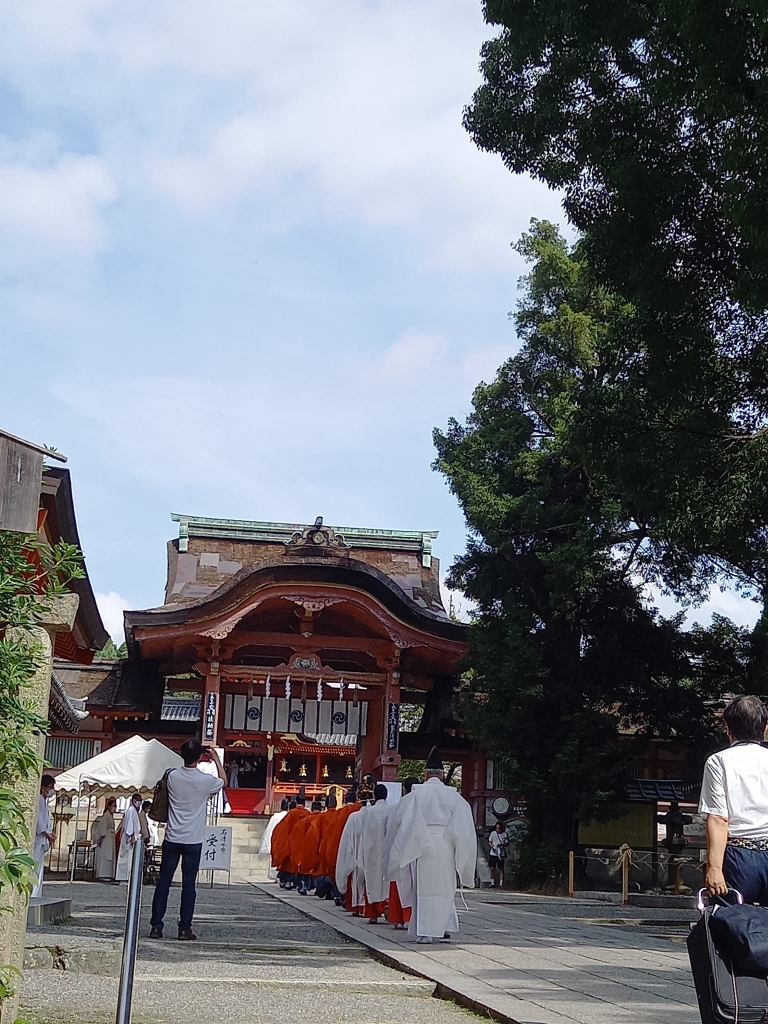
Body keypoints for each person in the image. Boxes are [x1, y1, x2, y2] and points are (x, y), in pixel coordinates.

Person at [387, 747, 476, 943]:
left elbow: (400, 821)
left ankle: (427, 931)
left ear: (426, 774)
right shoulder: (454, 797)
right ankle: (443, 926)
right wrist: (463, 858)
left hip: (422, 844)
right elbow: (465, 828)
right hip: (446, 844)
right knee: (445, 888)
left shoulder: (415, 795)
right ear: (443, 774)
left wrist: (402, 849)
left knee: (424, 889)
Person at [149, 740, 226, 940]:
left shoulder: (172, 775)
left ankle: (156, 926)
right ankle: (184, 928)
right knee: (189, 885)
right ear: (200, 757)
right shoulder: (205, 780)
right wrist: (216, 758)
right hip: (193, 839)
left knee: (164, 882)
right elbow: (223, 781)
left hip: (172, 836)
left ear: (181, 755)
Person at [700, 695, 768, 904]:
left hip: (739, 856)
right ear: (765, 727)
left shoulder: (719, 762)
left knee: (733, 925)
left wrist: (714, 868)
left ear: (727, 727)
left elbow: (719, 819)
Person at [386, 777, 418, 929]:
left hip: (401, 849)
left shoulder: (397, 806)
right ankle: (414, 918)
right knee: (416, 887)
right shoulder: (422, 804)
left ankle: (401, 918)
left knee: (401, 884)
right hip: (419, 850)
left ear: (404, 789)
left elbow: (391, 832)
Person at [360, 784, 390, 923]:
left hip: (372, 849)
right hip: (388, 851)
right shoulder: (391, 810)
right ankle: (387, 906)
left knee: (372, 880)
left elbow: (365, 833)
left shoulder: (370, 812)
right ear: (386, 795)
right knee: (387, 882)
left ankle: (373, 914)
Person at [271, 788, 310, 888]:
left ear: (296, 802)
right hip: (305, 843)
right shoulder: (308, 814)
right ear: (304, 803)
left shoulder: (292, 813)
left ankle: (289, 881)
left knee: (289, 862)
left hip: (292, 842)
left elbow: (283, 828)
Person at [335, 796, 368, 916]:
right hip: (372, 855)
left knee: (356, 881)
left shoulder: (353, 817)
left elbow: (346, 840)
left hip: (355, 854)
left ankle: (357, 906)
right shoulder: (377, 814)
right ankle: (370, 908)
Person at [31, 775, 55, 898]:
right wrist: (46, 832)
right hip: (39, 838)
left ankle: (37, 893)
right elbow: (39, 820)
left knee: (39, 869)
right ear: (42, 787)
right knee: (35, 867)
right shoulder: (38, 800)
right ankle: (33, 894)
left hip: (44, 838)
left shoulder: (44, 801)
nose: (51, 791)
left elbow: (47, 820)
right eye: (50, 788)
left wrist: (50, 832)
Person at [115, 792, 143, 882]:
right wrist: (131, 835)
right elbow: (129, 824)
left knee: (130, 858)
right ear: (134, 801)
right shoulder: (131, 810)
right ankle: (123, 877)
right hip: (129, 837)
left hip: (132, 836)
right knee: (126, 857)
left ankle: (128, 876)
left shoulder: (134, 810)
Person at [259, 798, 289, 880]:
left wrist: (267, 842)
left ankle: (276, 876)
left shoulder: (276, 817)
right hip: (286, 841)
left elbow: (270, 830)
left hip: (276, 841)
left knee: (276, 859)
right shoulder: (289, 816)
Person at [92, 798, 117, 881]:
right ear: (109, 807)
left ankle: (109, 874)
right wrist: (101, 838)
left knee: (110, 855)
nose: (115, 808)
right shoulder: (105, 816)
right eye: (113, 806)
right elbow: (102, 827)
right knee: (105, 855)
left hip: (110, 837)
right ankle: (103, 874)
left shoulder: (110, 816)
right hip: (106, 838)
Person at [488, 822, 509, 888]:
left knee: (501, 868)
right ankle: (492, 883)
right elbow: (490, 841)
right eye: (497, 828)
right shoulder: (493, 833)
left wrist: (502, 845)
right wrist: (492, 846)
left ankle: (501, 884)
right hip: (493, 852)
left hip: (500, 853)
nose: (498, 830)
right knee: (492, 868)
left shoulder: (504, 834)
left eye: (499, 828)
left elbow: (507, 843)